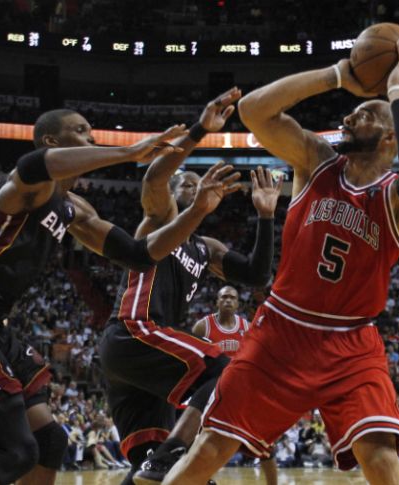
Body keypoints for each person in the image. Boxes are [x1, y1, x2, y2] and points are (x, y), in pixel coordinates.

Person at [0, 109, 241, 485]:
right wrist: (128, 152)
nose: (91, 138)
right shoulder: (27, 187)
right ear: (53, 141)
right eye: (81, 131)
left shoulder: (75, 209)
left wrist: (197, 205)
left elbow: (139, 253)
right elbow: (33, 164)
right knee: (14, 450)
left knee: (50, 440)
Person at [165, 39, 399, 485]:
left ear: (390, 136)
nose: (348, 116)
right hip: (281, 332)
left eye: (364, 115)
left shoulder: (396, 199)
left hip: (351, 341)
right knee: (208, 448)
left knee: (382, 460)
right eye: (351, 111)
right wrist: (337, 75)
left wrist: (398, 93)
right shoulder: (316, 162)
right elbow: (254, 111)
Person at [98, 88, 283, 485]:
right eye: (185, 182)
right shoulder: (161, 218)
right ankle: (171, 456)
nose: (191, 186)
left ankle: (163, 460)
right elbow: (155, 175)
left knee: (149, 466)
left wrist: (266, 217)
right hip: (136, 330)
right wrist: (200, 129)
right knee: (227, 372)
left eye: (196, 183)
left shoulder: (205, 248)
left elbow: (255, 275)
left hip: (147, 356)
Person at [191, 286, 277, 484]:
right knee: (200, 441)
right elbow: (193, 362)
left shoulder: (247, 327)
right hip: (212, 392)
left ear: (238, 303)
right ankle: (206, 480)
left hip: (242, 392)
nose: (228, 300)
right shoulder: (202, 327)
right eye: (224, 297)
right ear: (217, 302)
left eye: (232, 297)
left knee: (265, 442)